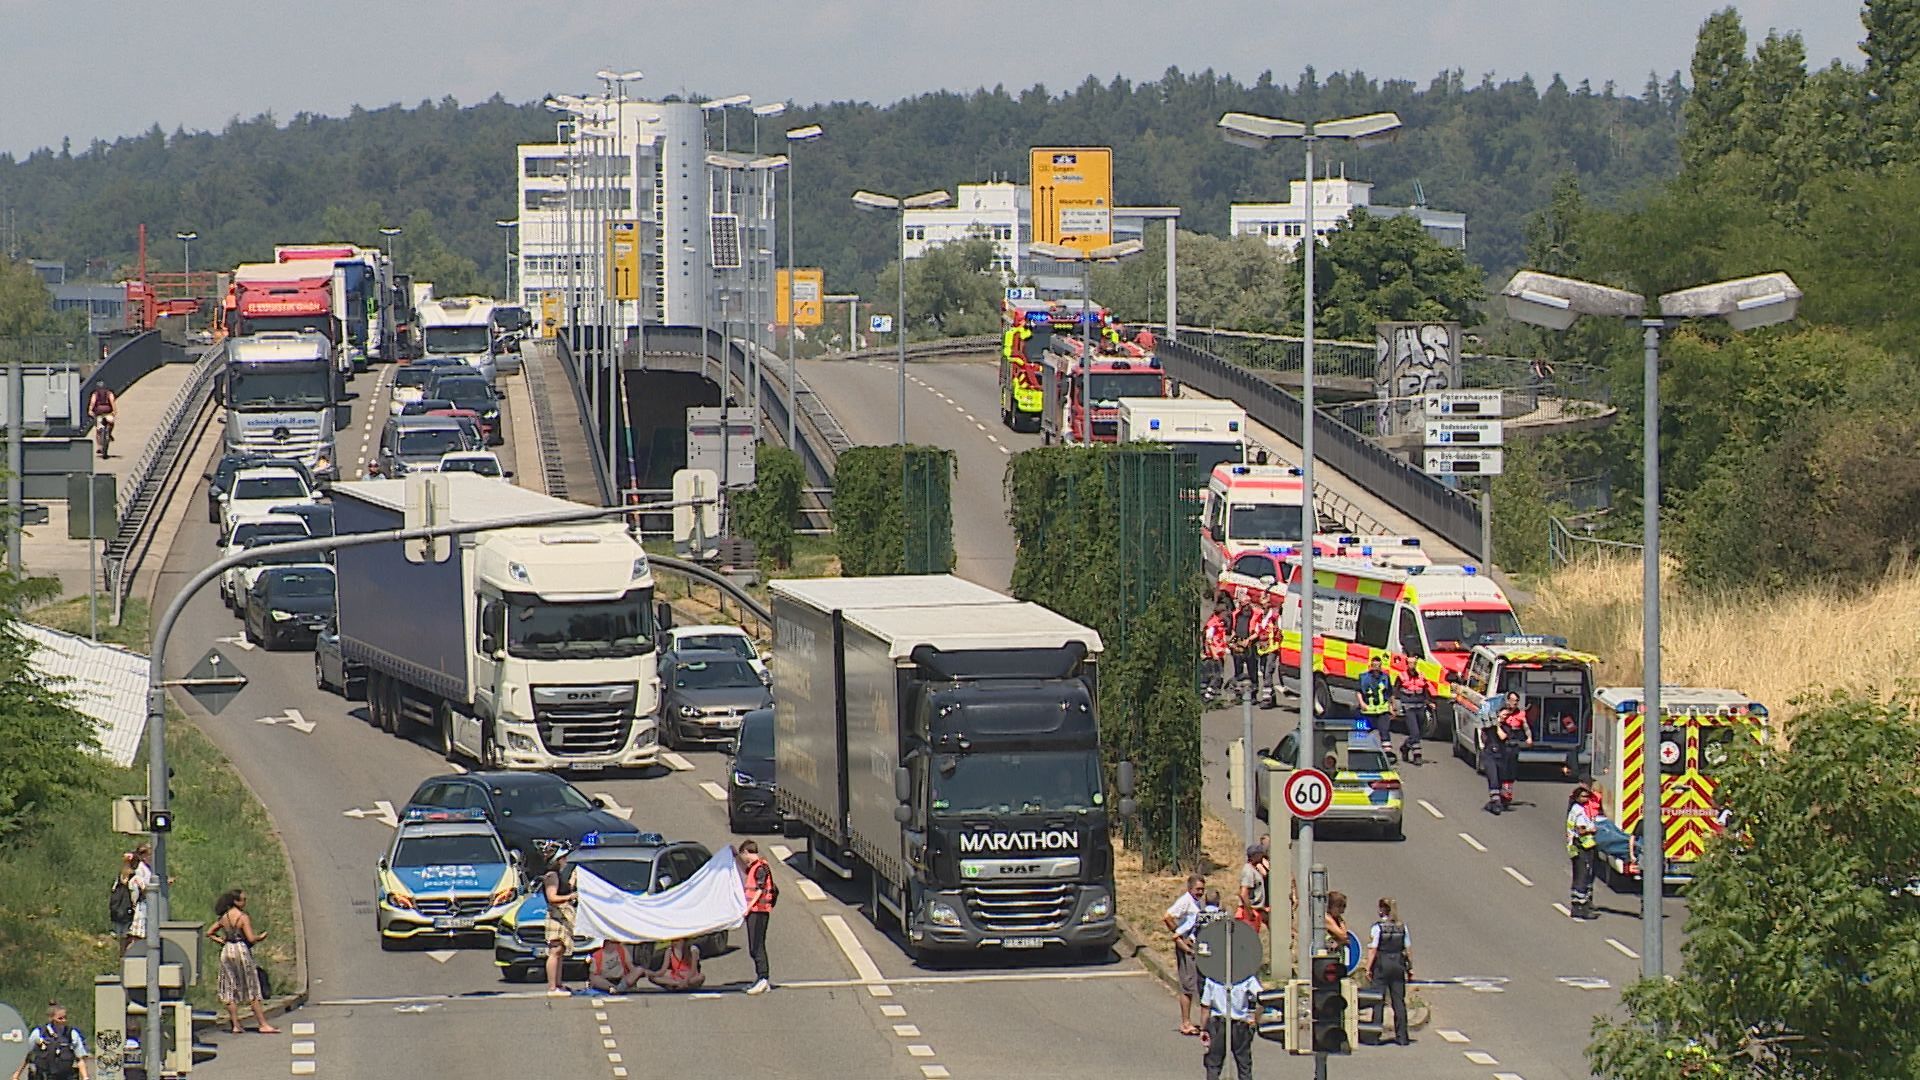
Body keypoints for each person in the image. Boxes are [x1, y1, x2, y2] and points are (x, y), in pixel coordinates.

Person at [208, 889, 279, 1034]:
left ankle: (235, 1024)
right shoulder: (242, 917)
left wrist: (222, 941)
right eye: (243, 900)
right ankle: (263, 1023)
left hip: (227, 950)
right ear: (236, 901)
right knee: (251, 985)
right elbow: (251, 938)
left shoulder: (224, 917)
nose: (245, 902)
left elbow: (210, 932)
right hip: (241, 949)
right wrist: (260, 937)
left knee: (229, 986)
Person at [1362, 897, 1414, 1046]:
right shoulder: (1402, 927)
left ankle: (1374, 1035)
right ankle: (1402, 1036)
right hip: (1398, 965)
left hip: (1382, 965)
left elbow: (1373, 949)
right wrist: (1410, 968)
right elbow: (1408, 949)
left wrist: (1368, 968)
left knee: (1378, 999)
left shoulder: (1378, 928)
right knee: (1399, 1001)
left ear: (1382, 909)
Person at [1163, 874, 1207, 1036]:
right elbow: (1167, 917)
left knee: (1196, 983)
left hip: (1197, 945)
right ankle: (1186, 1022)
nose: (1200, 892)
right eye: (1197, 889)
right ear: (1190, 888)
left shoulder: (1197, 902)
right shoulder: (1185, 901)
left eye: (1202, 889)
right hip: (1187, 947)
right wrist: (1181, 936)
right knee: (1187, 984)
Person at [1198, 969, 1260, 1080]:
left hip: (1218, 1024)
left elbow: (1205, 1007)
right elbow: (1262, 997)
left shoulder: (1212, 978)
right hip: (1240, 1024)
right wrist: (1255, 1018)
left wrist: (1203, 1029)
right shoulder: (1246, 978)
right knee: (1244, 1063)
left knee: (1213, 1063)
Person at [13, 1002, 90, 1080]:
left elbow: (80, 1058)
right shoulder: (38, 1033)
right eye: (60, 1018)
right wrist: (16, 1075)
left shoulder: (72, 1034)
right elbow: (27, 1055)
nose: (64, 1020)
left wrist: (85, 1077)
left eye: (65, 1017)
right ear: (51, 1018)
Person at [737, 840, 776, 994]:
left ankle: (763, 978)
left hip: (759, 911)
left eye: (743, 855)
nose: (743, 859)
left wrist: (748, 907)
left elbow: (759, 889)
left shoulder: (760, 868)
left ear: (747, 852)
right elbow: (743, 868)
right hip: (754, 910)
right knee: (754, 946)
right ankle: (760, 978)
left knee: (757, 946)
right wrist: (734, 855)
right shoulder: (754, 867)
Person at [542, 843, 578, 996]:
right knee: (555, 950)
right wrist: (570, 897)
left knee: (560, 950)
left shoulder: (559, 875)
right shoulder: (552, 875)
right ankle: (552, 987)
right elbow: (552, 897)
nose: (565, 860)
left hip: (562, 915)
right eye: (563, 858)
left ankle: (558, 984)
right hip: (556, 915)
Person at [1479, 692, 1521, 814]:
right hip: (1489, 754)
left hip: (1500, 755)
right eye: (1503, 714)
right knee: (1493, 778)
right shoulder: (1490, 724)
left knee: (1500, 778)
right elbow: (1483, 735)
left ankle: (1495, 802)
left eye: (1506, 714)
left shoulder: (1506, 727)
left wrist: (1498, 724)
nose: (1505, 716)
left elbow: (1502, 736)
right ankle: (1496, 803)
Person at [1566, 785, 1601, 920]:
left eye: (1587, 796)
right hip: (1582, 847)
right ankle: (1581, 907)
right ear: (1577, 797)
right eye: (1584, 796)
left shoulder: (1574, 809)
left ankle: (1577, 905)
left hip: (1575, 846)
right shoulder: (1580, 811)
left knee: (1578, 877)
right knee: (1583, 877)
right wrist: (1591, 830)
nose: (1586, 799)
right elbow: (1581, 830)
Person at [1496, 697, 1535, 808]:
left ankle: (1507, 792)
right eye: (1512, 700)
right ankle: (1499, 791)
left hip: (1513, 745)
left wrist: (1529, 738)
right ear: (1507, 701)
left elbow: (1526, 727)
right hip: (1502, 745)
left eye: (1516, 701)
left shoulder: (1520, 714)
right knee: (1501, 769)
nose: (1514, 703)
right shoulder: (1502, 712)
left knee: (1511, 769)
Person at [1394, 667, 1433, 765]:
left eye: (1414, 663)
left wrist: (1429, 702)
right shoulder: (1402, 676)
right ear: (1407, 664)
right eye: (1410, 663)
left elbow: (1425, 690)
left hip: (1420, 707)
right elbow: (1396, 691)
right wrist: (1395, 705)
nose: (1412, 665)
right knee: (1415, 732)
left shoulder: (1421, 676)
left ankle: (1405, 747)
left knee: (1419, 732)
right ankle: (1417, 755)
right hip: (1408, 707)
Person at [1253, 585, 1283, 708]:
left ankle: (1267, 699)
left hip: (1272, 648)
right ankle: (1272, 696)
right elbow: (1256, 631)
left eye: (1264, 604)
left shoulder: (1274, 617)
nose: (1262, 607)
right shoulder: (1259, 617)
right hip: (1262, 649)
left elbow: (1280, 631)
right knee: (1263, 670)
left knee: (1267, 673)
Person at [1228, 597, 1260, 705]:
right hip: (1238, 645)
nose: (1245, 607)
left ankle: (1253, 695)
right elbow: (1233, 629)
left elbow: (1258, 631)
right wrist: (1232, 642)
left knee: (1252, 671)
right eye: (1243, 605)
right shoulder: (1236, 615)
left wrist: (1249, 639)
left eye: (1247, 604)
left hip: (1250, 646)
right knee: (1238, 671)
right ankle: (1239, 695)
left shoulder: (1255, 614)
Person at [1357, 657, 1395, 740]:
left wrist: (1391, 707)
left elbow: (1389, 693)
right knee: (1361, 733)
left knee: (1385, 733)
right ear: (1371, 666)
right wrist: (1361, 703)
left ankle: (1387, 752)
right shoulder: (1363, 677)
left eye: (1378, 666)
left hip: (1382, 710)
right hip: (1367, 710)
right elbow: (1359, 691)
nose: (1376, 668)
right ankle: (1360, 750)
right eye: (1374, 666)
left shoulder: (1385, 677)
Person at [1236, 845, 1269, 933]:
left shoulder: (1255, 869)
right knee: (1249, 941)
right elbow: (1244, 893)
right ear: (1255, 856)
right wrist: (1250, 913)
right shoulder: (1248, 870)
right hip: (1248, 913)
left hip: (1256, 911)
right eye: (1260, 854)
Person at [1201, 602, 1230, 702]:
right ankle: (1208, 696)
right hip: (1214, 654)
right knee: (1216, 676)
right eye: (1225, 611)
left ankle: (1214, 696)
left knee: (1219, 676)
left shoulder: (1220, 623)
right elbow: (1209, 640)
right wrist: (1214, 653)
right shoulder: (1212, 624)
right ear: (1221, 612)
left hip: (1219, 653)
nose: (1227, 613)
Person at [111, 852, 138, 955]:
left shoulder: (120, 875)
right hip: (128, 908)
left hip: (118, 908)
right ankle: (125, 955)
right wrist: (135, 905)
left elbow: (113, 890)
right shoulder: (133, 876)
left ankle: (120, 955)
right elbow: (133, 892)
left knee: (119, 933)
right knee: (128, 935)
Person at [1324, 891, 1350, 955]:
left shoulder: (1336, 918)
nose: (1343, 911)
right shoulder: (1327, 918)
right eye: (1342, 906)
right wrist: (1341, 921)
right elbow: (1344, 936)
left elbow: (1347, 939)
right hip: (1328, 952)